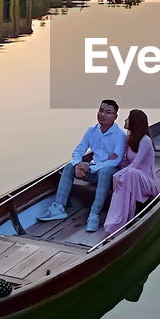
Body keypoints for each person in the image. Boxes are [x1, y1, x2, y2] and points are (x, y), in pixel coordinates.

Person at [39, 99, 127, 231]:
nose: (102, 115)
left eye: (108, 112)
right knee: (68, 167)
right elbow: (79, 150)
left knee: (105, 171)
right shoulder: (92, 130)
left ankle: (94, 214)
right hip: (93, 168)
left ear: (115, 116)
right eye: (101, 110)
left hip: (110, 172)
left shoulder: (120, 135)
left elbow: (116, 160)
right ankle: (59, 207)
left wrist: (90, 168)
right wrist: (77, 165)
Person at [104, 109, 160, 234]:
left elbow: (136, 164)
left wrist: (118, 174)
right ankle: (114, 222)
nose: (125, 120)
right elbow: (125, 163)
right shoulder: (129, 139)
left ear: (134, 122)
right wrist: (113, 158)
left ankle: (123, 219)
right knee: (124, 177)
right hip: (132, 177)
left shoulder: (145, 140)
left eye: (128, 118)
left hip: (147, 182)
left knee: (127, 174)